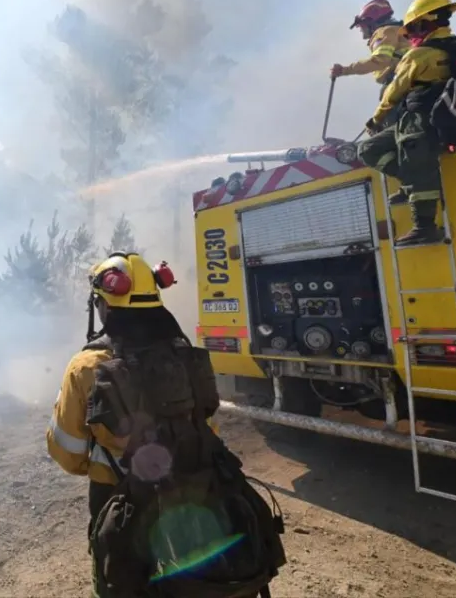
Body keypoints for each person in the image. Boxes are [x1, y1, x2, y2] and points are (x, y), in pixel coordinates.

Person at [46, 252, 285, 598]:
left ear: (103, 305)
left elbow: (67, 453)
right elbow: (208, 429)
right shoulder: (185, 354)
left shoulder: (86, 366)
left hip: (119, 497)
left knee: (126, 583)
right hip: (201, 486)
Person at [356, 0, 456, 247]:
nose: (409, 35)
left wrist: (375, 120)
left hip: (421, 120)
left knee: (414, 163)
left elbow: (394, 91)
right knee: (370, 149)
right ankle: (412, 186)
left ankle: (424, 226)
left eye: (412, 29)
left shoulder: (419, 55)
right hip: (452, 117)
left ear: (424, 24)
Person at [331, 0, 410, 106]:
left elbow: (380, 60)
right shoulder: (398, 30)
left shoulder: (384, 32)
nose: (361, 30)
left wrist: (345, 70)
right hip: (406, 76)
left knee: (387, 116)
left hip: (399, 80)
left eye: (362, 26)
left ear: (371, 22)